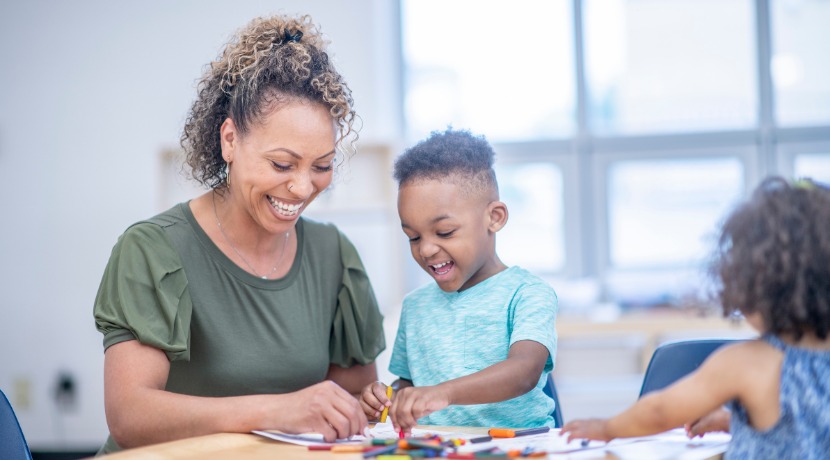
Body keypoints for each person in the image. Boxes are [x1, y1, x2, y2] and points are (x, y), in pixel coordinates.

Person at [92, 14, 385, 454]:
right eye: (282, 165)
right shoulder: (153, 250)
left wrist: (372, 407)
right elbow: (130, 415)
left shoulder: (335, 258)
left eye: (321, 166)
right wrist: (275, 410)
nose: (303, 187)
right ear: (230, 140)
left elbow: (353, 407)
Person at [562, 177, 830, 459]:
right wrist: (733, 421)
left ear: (753, 285)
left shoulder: (748, 363)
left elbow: (660, 411)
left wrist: (608, 428)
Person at [359, 129, 558, 435]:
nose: (425, 249)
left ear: (494, 218)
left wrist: (443, 392)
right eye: (413, 237)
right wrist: (387, 398)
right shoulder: (415, 306)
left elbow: (524, 372)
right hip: (439, 448)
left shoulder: (527, 293)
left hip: (517, 447)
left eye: (445, 232)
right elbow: (411, 386)